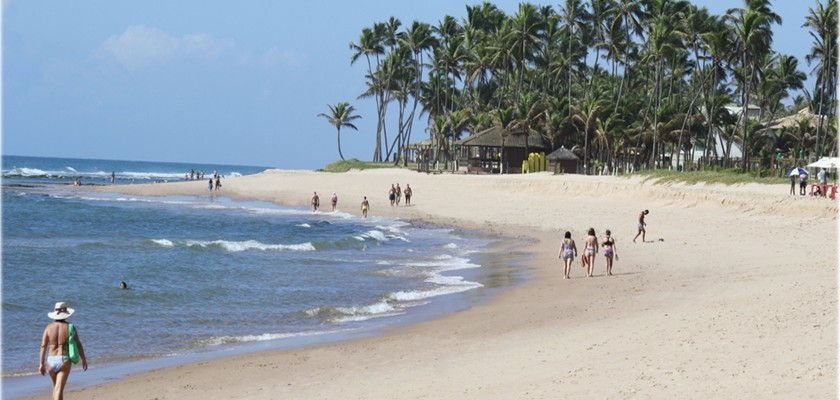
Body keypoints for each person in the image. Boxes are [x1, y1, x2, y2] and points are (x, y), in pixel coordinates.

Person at [40, 302, 87, 400]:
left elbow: (43, 346)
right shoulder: (70, 327)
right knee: (58, 390)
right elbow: (78, 344)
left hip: (50, 360)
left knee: (56, 389)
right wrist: (84, 359)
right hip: (63, 360)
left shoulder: (48, 327)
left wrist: (41, 364)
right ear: (65, 314)